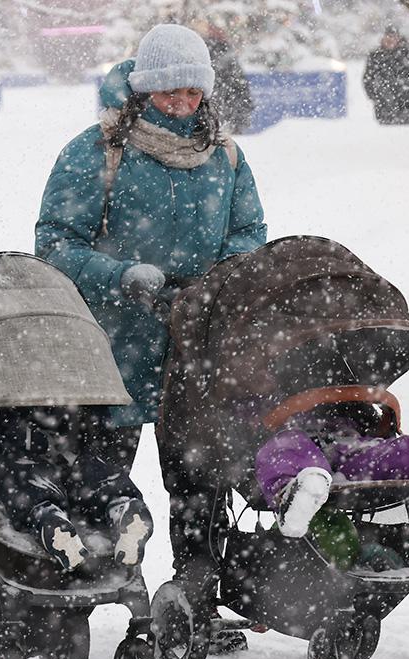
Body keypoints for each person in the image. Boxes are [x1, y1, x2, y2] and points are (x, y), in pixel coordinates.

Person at [35, 23, 266, 476]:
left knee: (202, 497)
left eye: (193, 92)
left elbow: (248, 231)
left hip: (197, 350)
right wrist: (120, 277)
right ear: (144, 90)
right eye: (168, 92)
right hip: (113, 348)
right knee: (102, 497)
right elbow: (56, 244)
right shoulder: (97, 150)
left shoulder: (225, 155)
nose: (182, 104)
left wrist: (222, 280)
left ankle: (200, 549)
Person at [0, 407, 153, 571]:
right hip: (51, 438)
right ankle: (121, 504)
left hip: (8, 455)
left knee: (19, 486)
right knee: (90, 472)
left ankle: (47, 517)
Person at [257, 397, 409, 537]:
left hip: (339, 445)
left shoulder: (327, 386)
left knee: (379, 453)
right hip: (292, 445)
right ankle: (292, 496)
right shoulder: (261, 396)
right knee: (289, 450)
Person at [363, 26, 409, 125]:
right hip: (383, 111)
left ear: (398, 38)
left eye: (393, 37)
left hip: (406, 110)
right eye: (388, 37)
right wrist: (376, 96)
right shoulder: (375, 56)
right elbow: (368, 79)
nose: (390, 40)